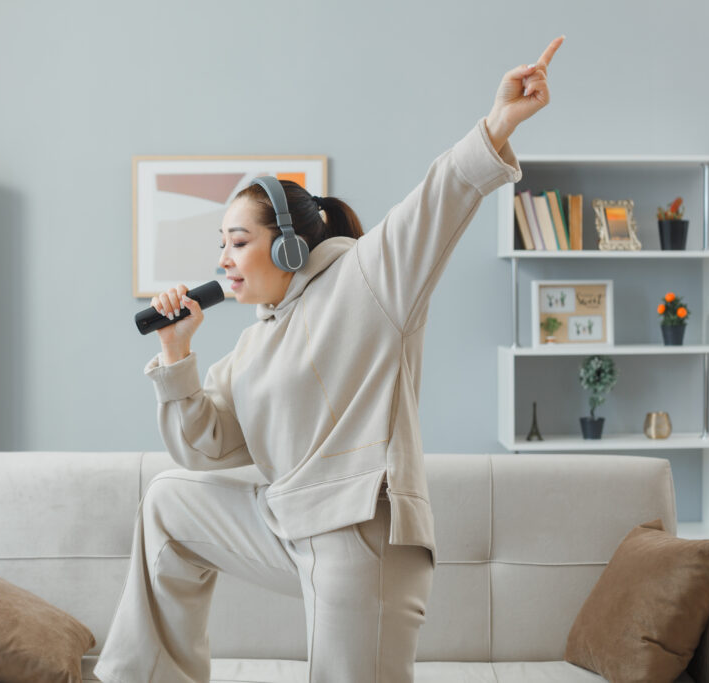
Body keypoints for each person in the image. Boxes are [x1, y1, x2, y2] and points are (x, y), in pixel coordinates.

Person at [96, 35, 565, 683]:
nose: (223, 258)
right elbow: (203, 449)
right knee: (168, 501)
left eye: (238, 241)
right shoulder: (253, 343)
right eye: (220, 244)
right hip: (284, 524)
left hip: (359, 536)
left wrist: (498, 124)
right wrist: (176, 356)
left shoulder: (367, 281)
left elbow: (438, 199)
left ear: (288, 247)